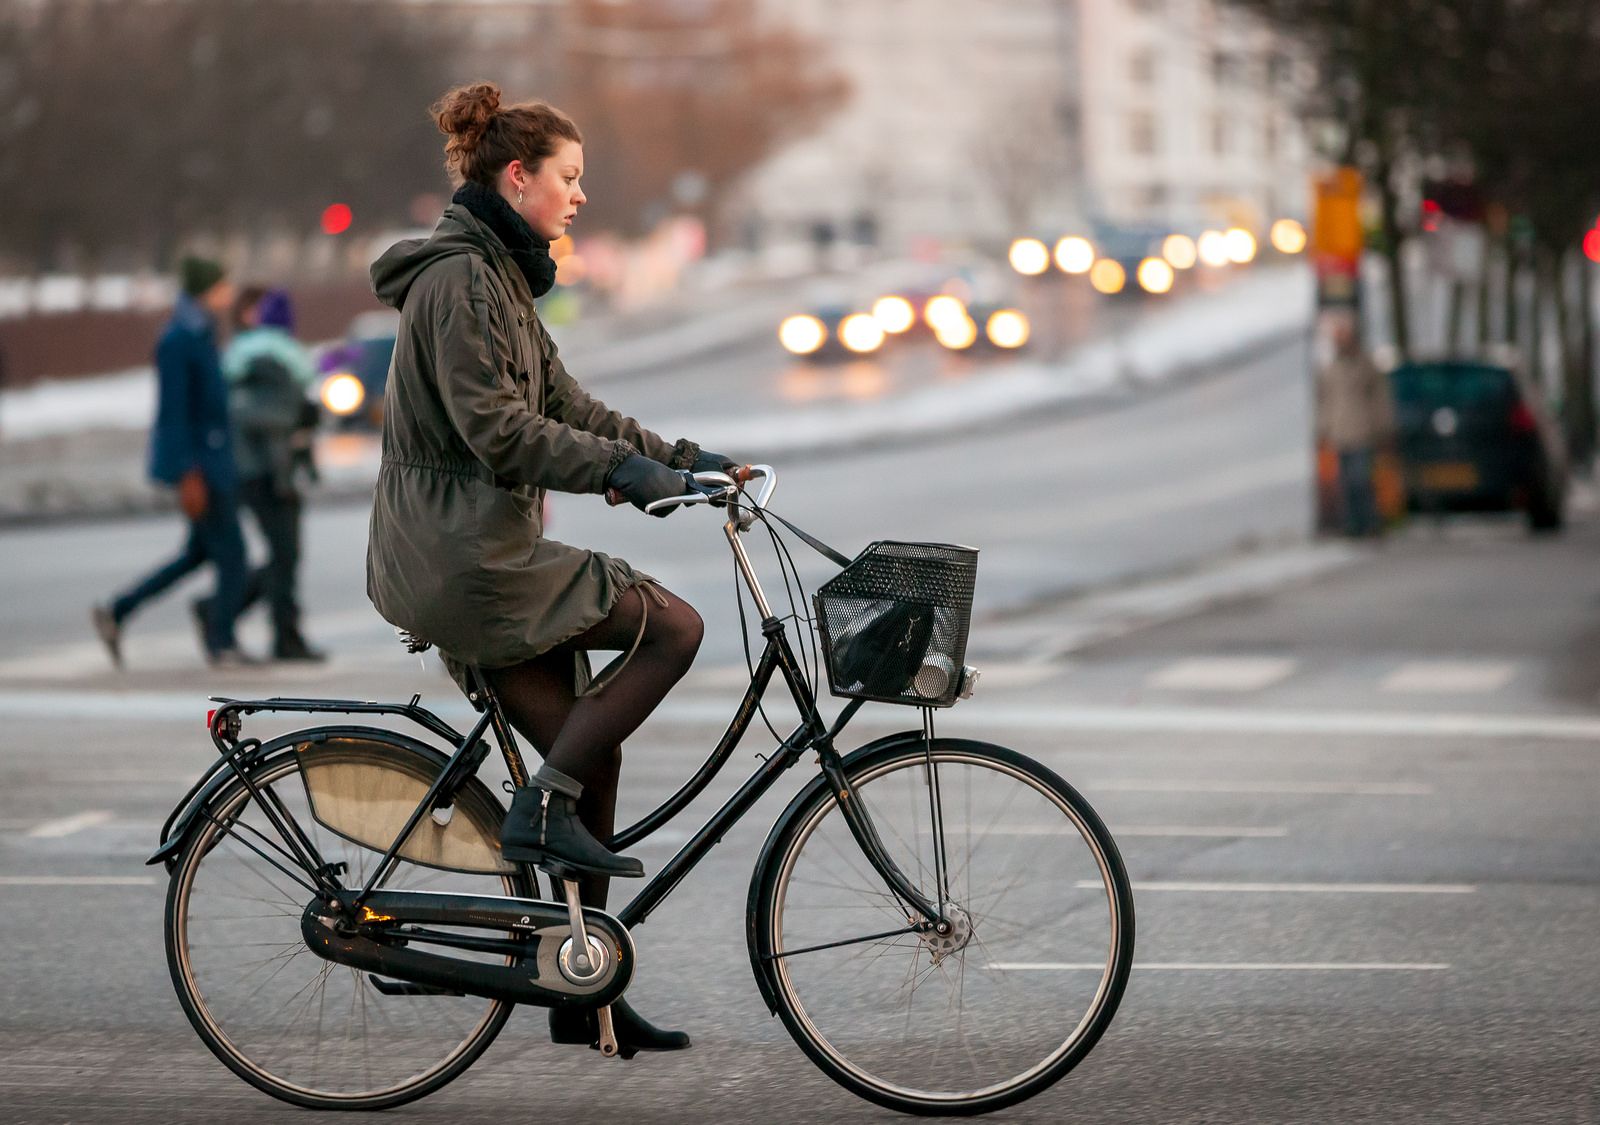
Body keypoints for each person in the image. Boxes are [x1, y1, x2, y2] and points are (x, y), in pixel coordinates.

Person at [366, 81, 737, 1056]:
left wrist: (681, 460)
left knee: (587, 753)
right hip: (462, 557)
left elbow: (566, 401)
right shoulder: (458, 282)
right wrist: (622, 473)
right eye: (568, 179)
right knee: (674, 626)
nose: (579, 197)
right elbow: (498, 430)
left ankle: (587, 996)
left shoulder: (497, 278)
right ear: (517, 176)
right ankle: (535, 810)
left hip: (482, 551)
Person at [92, 256, 253, 667]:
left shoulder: (199, 332)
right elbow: (174, 412)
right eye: (221, 286)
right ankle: (223, 642)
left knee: (198, 554)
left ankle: (117, 611)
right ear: (204, 290)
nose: (228, 293)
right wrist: (187, 473)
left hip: (213, 458)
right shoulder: (179, 339)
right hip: (203, 466)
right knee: (232, 556)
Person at [196, 286, 325, 662]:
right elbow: (271, 426)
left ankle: (229, 612)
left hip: (251, 471)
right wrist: (286, 477)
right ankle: (280, 635)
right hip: (267, 474)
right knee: (285, 553)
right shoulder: (276, 362)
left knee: (282, 554)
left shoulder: (244, 358)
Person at [1317, 315, 1395, 538]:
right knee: (1346, 483)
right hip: (1340, 433)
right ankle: (1353, 525)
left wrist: (1384, 427)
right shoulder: (1331, 368)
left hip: (1363, 431)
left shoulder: (1365, 365)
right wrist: (1323, 429)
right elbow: (1326, 401)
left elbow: (1380, 398)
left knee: (1361, 480)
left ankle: (1370, 522)